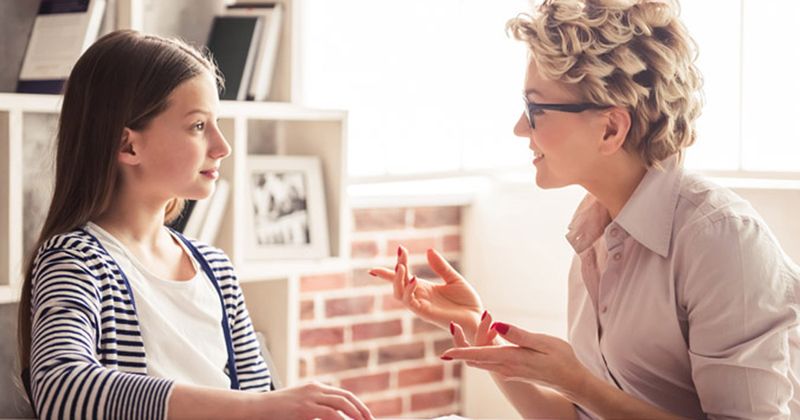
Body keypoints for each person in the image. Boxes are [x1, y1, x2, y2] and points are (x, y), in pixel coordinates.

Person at [370, 0, 800, 418]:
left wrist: (579, 382)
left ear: (611, 129)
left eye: (536, 109)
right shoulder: (596, 228)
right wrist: (477, 327)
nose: (520, 128)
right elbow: (582, 415)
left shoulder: (721, 239)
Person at [17, 30, 373, 420]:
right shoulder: (76, 260)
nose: (223, 146)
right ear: (128, 146)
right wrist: (259, 405)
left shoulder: (215, 268)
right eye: (198, 126)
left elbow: (260, 404)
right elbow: (62, 388)